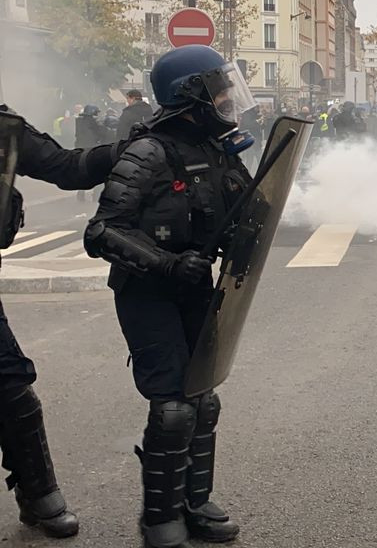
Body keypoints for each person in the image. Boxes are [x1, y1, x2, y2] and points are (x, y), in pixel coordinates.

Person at [85, 45, 257, 548]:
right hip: (148, 290)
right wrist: (167, 262)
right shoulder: (149, 152)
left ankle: (195, 502)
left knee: (203, 398)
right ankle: (159, 516)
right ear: (192, 94)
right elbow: (102, 232)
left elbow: (240, 216)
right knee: (173, 407)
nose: (228, 97)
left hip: (194, 285)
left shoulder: (218, 147)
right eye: (220, 88)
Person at [0, 108, 123, 539]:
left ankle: (38, 493)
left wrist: (125, 148)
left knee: (11, 385)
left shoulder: (2, 128)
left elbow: (67, 168)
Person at [75, 106, 111, 202]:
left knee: (82, 172)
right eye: (96, 113)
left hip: (80, 150)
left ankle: (80, 194)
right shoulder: (94, 122)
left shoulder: (79, 121)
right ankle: (96, 197)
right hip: (92, 150)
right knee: (98, 172)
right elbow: (103, 132)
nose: (97, 115)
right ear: (92, 113)